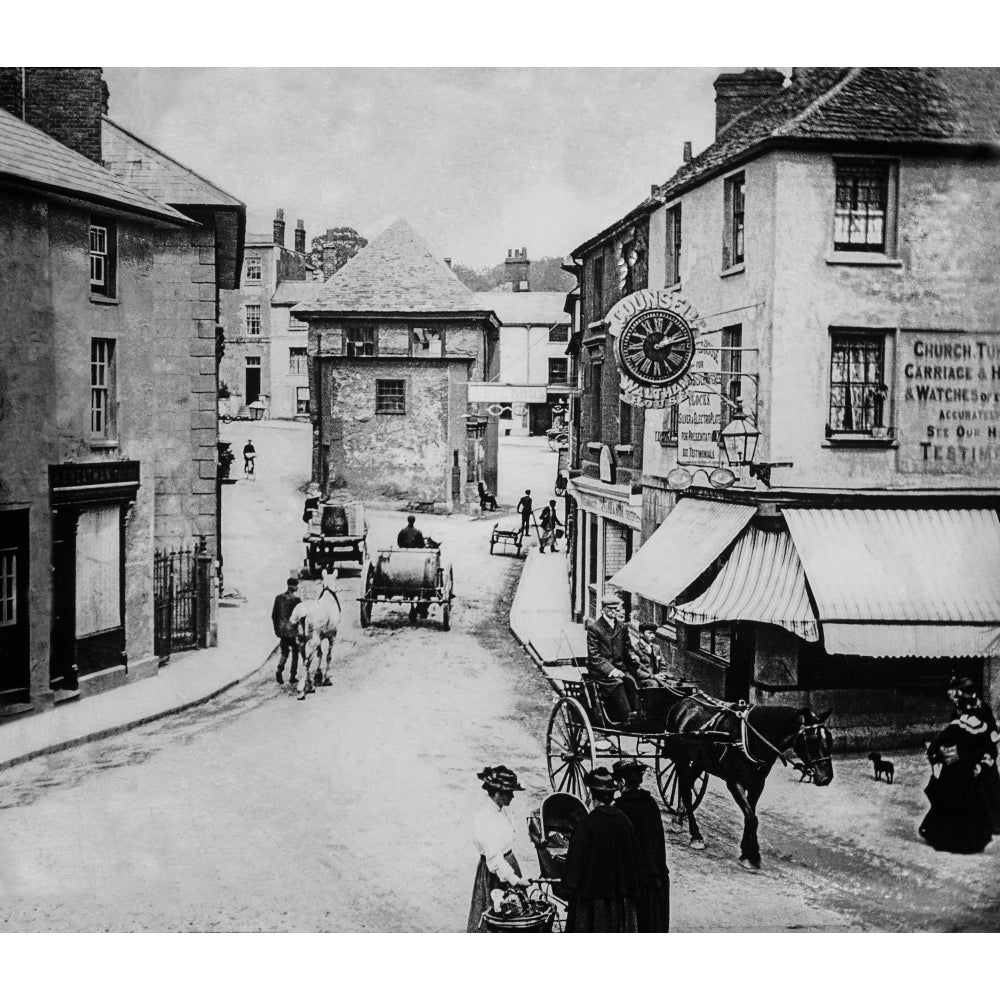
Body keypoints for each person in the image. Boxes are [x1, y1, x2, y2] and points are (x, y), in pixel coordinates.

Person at [561, 767, 641, 933]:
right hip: (621, 903)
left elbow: (574, 868)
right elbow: (634, 863)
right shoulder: (625, 822)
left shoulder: (586, 824)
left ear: (592, 794)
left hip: (592, 905)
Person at [919, 682, 995, 854]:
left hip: (956, 767)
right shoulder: (981, 723)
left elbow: (940, 741)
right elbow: (989, 745)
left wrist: (933, 753)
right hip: (971, 769)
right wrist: (983, 762)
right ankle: (971, 839)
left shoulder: (959, 723)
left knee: (951, 801)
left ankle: (950, 837)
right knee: (970, 802)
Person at [467, 765, 531, 932]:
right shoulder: (487, 819)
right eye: (508, 793)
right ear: (497, 793)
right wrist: (515, 880)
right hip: (496, 874)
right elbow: (494, 858)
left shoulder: (501, 811)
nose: (512, 796)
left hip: (508, 866)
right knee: (499, 916)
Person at [612, 760, 670, 932]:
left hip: (637, 879)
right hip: (658, 873)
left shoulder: (620, 808)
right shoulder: (650, 802)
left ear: (622, 782)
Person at [947, 678, 1000, 835]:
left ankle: (995, 822)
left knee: (990, 786)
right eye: (953, 699)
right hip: (967, 754)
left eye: (957, 697)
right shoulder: (957, 712)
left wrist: (987, 756)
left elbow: (992, 734)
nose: (955, 701)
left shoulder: (984, 709)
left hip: (984, 753)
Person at [586, 593, 640, 724]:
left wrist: (633, 655)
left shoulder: (622, 626)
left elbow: (628, 648)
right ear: (603, 609)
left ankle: (637, 715)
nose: (613, 612)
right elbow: (595, 656)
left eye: (616, 609)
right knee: (618, 683)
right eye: (610, 609)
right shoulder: (595, 628)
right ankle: (626, 717)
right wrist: (611, 670)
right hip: (601, 672)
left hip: (621, 668)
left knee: (632, 682)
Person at [270, 577, 301, 686]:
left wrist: (276, 630)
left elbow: (274, 616)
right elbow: (300, 617)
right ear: (294, 586)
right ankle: (293, 676)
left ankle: (279, 670)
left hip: (282, 630)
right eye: (297, 585)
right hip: (292, 631)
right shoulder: (296, 600)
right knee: (296, 652)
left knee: (284, 652)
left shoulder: (278, 598)